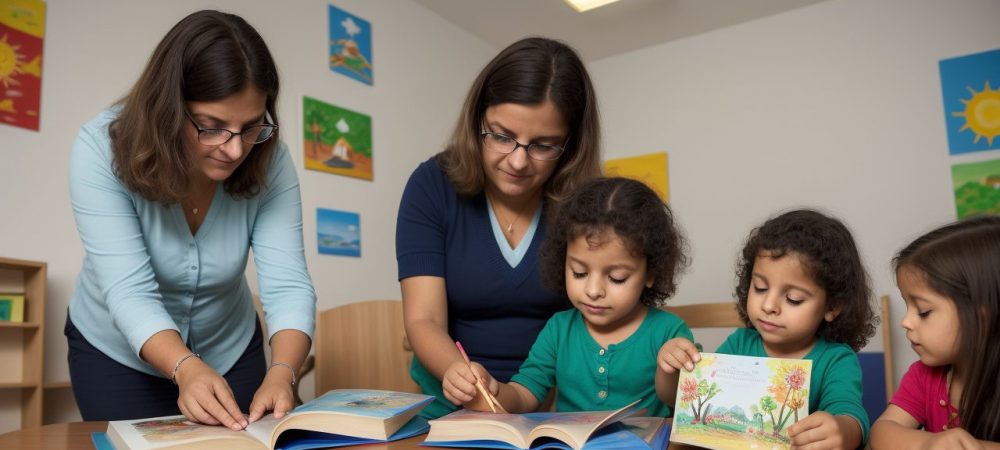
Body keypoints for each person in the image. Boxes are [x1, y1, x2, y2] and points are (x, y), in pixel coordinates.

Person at [66, 10, 315, 429]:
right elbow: (129, 291)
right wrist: (185, 366)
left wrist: (283, 371)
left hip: (232, 346)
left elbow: (289, 285)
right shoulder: (100, 149)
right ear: (168, 108)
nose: (235, 150)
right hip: (117, 353)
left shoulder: (271, 161)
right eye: (211, 126)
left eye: (251, 126)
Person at [395, 37, 602, 419]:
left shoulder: (587, 207)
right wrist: (459, 374)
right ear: (478, 121)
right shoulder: (431, 186)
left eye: (544, 145)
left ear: (570, 147)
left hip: (551, 407)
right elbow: (423, 319)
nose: (519, 161)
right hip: (450, 400)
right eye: (502, 136)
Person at [443, 177, 692, 416]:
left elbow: (678, 402)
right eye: (579, 272)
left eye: (616, 278)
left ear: (651, 273)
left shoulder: (669, 332)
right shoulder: (559, 329)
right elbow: (524, 396)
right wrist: (489, 389)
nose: (593, 291)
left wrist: (669, 371)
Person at [661, 209, 877, 448]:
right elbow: (680, 401)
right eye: (760, 288)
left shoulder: (836, 360)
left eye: (793, 298)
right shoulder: (739, 344)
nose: (769, 305)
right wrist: (671, 370)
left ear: (832, 306)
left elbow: (850, 415)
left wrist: (842, 431)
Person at [870, 216, 1000, 449]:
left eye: (923, 311)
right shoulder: (924, 376)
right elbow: (881, 433)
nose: (905, 321)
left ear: (983, 316)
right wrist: (928, 443)